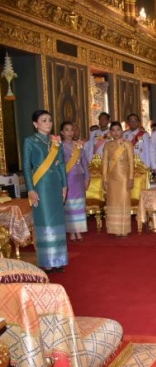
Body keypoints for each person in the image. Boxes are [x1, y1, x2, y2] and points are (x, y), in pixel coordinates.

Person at [23, 110, 68, 273]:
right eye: (44, 120)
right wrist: (30, 189)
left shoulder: (56, 141)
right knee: (46, 221)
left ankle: (59, 259)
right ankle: (48, 260)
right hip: (40, 186)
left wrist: (64, 185)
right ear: (35, 124)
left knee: (57, 221)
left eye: (49, 120)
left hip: (56, 185)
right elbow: (27, 168)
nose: (48, 123)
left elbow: (62, 164)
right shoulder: (30, 141)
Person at [102, 121, 134, 237]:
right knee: (113, 202)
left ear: (122, 131)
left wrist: (130, 179)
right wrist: (104, 180)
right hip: (112, 178)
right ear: (110, 132)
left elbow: (131, 161)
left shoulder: (127, 144)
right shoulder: (107, 145)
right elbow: (105, 162)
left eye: (118, 130)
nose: (116, 132)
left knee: (123, 201)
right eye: (113, 130)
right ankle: (115, 228)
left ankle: (124, 228)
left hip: (124, 178)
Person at [61, 121, 89, 242]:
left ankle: (79, 230)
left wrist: (87, 178)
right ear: (62, 132)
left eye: (71, 130)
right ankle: (72, 231)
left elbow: (85, 163)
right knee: (70, 205)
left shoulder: (79, 145)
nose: (69, 132)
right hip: (67, 179)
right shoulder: (58, 147)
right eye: (67, 130)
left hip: (79, 178)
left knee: (79, 205)